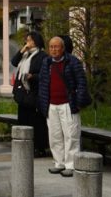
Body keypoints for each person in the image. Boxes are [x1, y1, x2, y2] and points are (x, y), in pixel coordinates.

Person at [38, 35, 91, 177]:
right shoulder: (46, 63)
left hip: (68, 104)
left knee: (71, 135)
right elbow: (43, 84)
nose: (54, 50)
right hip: (51, 105)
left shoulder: (73, 62)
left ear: (63, 48)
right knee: (54, 136)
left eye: (56, 47)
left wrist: (79, 103)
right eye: (51, 47)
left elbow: (81, 83)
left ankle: (71, 164)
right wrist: (43, 104)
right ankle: (59, 163)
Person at [11, 31, 48, 157]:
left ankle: (39, 147)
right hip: (23, 93)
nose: (28, 43)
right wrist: (22, 50)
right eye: (27, 40)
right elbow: (14, 62)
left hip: (35, 93)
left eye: (30, 40)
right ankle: (24, 145)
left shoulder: (42, 56)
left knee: (36, 122)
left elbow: (44, 74)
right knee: (23, 120)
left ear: (36, 41)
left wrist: (33, 76)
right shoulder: (25, 55)